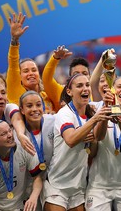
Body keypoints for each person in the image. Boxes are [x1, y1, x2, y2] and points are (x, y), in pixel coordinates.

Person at [43, 74, 109, 211]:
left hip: (78, 186)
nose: (85, 89)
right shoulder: (65, 113)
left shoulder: (90, 114)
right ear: (69, 92)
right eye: (79, 86)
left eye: (87, 85)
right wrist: (96, 119)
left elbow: (96, 146)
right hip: (57, 185)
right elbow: (71, 140)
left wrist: (104, 118)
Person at [85, 76, 121, 211]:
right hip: (99, 185)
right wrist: (106, 110)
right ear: (112, 91)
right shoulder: (99, 112)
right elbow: (98, 137)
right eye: (119, 87)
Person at [0, 119, 42, 211]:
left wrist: (33, 197)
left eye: (10, 130)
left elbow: (38, 178)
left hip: (18, 207)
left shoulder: (24, 149)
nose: (10, 135)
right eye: (3, 134)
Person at [0, 81, 35, 175]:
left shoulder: (10, 108)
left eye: (3, 93)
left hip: (18, 160)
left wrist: (20, 134)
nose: (0, 96)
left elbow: (17, 120)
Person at [6, 12, 55, 113]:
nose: (31, 73)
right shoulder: (16, 93)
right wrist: (15, 40)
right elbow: (13, 62)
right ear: (19, 77)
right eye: (25, 71)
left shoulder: (47, 96)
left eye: (34, 70)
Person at [19, 90, 55, 210]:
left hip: (53, 182)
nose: (35, 109)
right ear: (22, 110)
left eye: (38, 105)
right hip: (29, 185)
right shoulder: (18, 133)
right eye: (29, 106)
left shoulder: (53, 121)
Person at [42, 45, 93, 112]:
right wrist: (55, 58)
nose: (81, 77)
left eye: (85, 73)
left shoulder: (92, 92)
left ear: (90, 76)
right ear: (69, 78)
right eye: (76, 74)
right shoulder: (61, 92)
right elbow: (47, 79)